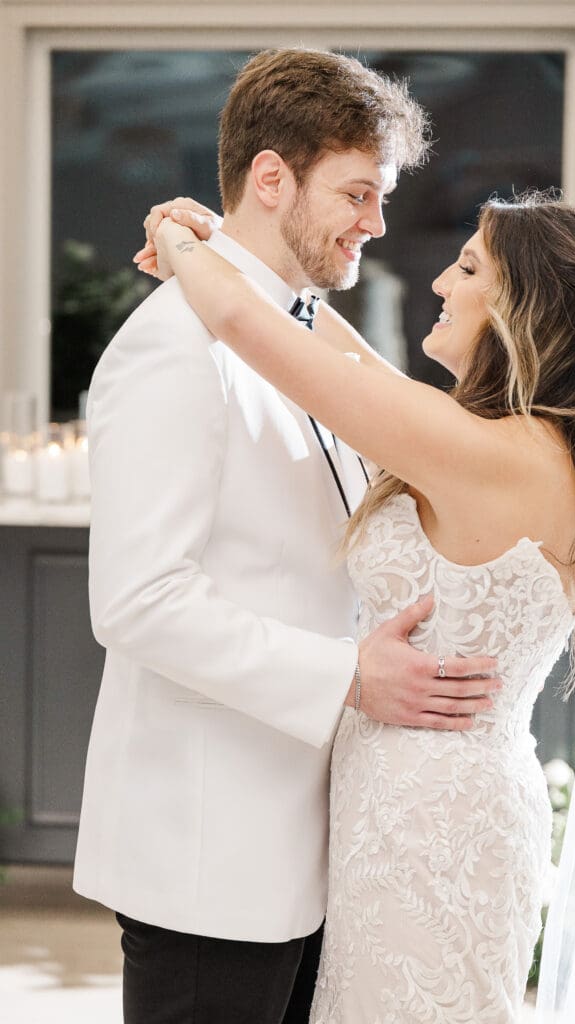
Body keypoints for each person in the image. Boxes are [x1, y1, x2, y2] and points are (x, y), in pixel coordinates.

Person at [138, 189, 575, 1022]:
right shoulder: (514, 442)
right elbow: (348, 362)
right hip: (419, 805)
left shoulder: (493, 455)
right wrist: (239, 254)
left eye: (469, 266)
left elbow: (249, 330)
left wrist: (175, 233)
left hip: (432, 832)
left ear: (522, 308)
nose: (442, 282)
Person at [73, 48, 502, 1024]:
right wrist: (348, 675)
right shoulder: (172, 346)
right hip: (208, 855)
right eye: (357, 192)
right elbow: (139, 602)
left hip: (310, 844)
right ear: (271, 179)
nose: (377, 223)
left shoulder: (296, 336)